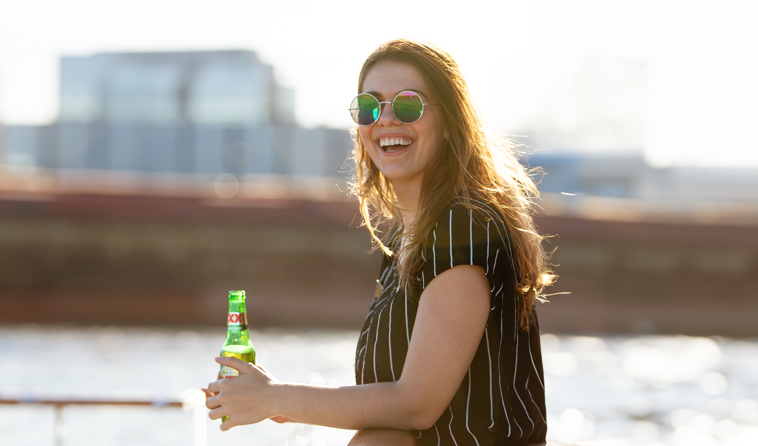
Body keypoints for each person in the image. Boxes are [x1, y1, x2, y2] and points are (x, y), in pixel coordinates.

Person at [205, 38, 556, 446]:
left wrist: (275, 397)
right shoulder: (405, 240)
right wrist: (270, 401)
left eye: (408, 105)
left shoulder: (462, 228)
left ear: (449, 124)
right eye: (370, 107)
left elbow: (414, 405)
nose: (385, 120)